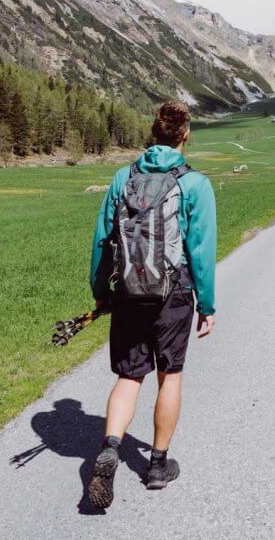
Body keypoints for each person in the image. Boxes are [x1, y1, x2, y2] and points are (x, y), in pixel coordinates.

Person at [85, 100, 217, 509]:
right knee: (170, 376)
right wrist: (206, 304)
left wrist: (101, 292)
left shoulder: (123, 177)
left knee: (128, 377)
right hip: (173, 293)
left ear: (154, 132)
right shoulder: (195, 183)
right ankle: (157, 465)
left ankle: (110, 447)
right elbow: (201, 249)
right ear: (184, 135)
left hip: (128, 292)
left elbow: (102, 240)